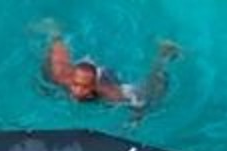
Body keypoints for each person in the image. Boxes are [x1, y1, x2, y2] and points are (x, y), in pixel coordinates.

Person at [37, 20, 179, 114]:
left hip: (107, 76)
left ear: (93, 86)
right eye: (76, 85)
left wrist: (137, 117)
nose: (78, 91)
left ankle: (165, 52)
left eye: (85, 87)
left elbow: (144, 100)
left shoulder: (109, 93)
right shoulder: (61, 76)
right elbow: (56, 49)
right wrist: (54, 33)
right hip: (79, 69)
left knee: (148, 96)